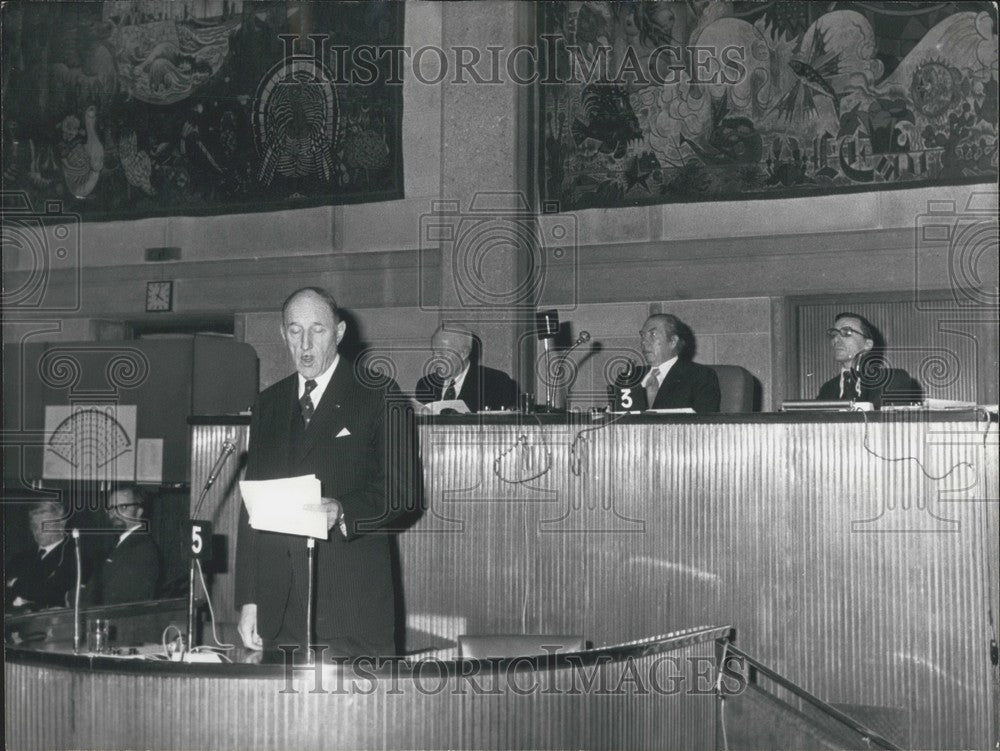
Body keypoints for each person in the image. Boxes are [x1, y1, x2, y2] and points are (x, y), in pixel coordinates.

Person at [235, 287, 417, 658]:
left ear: (339, 333)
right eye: (295, 330)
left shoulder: (379, 395)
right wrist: (251, 599)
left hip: (351, 610)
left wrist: (343, 510)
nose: (305, 342)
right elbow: (251, 509)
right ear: (282, 334)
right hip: (280, 612)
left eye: (317, 330)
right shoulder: (268, 404)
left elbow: (403, 491)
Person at [610, 314, 721, 413]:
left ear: (673, 341)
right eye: (642, 335)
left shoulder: (701, 376)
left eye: (652, 335)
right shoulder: (628, 378)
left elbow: (705, 423)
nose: (643, 342)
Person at [817, 312, 922, 408]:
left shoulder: (892, 380)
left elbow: (894, 425)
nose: (836, 340)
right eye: (834, 334)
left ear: (867, 344)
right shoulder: (827, 389)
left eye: (846, 332)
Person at [84, 485, 161, 605]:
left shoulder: (141, 549)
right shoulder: (120, 543)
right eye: (111, 508)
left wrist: (72, 597)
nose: (114, 514)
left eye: (123, 507)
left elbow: (112, 599)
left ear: (139, 511)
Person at [413, 325, 519, 412]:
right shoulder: (425, 385)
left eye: (442, 353)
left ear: (463, 354)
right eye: (434, 352)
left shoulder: (495, 382)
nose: (435, 358)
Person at [5, 500, 76, 610]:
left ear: (62, 523)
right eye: (34, 526)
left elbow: (54, 595)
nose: (38, 531)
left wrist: (15, 583)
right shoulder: (19, 559)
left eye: (44, 524)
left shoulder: (75, 556)